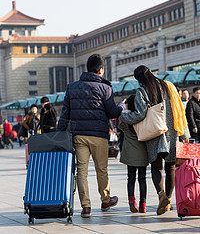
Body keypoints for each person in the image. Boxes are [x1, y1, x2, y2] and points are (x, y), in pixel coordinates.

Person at [57, 54, 125, 218]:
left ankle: (86, 207)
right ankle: (105, 200)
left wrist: (58, 134)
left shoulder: (71, 87)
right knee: (101, 169)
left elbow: (65, 114)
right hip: (98, 135)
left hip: (79, 135)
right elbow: (113, 112)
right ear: (101, 70)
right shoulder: (105, 88)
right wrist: (122, 105)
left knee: (82, 171)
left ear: (87, 68)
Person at [120, 65, 187, 215]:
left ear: (139, 80)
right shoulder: (168, 86)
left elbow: (139, 115)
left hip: (155, 134)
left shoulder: (142, 91)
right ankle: (168, 200)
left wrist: (122, 115)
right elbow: (180, 110)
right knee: (170, 168)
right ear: (150, 72)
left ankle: (161, 195)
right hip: (172, 132)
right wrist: (185, 134)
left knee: (156, 168)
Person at [119, 95, 148, 214]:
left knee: (131, 178)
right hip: (143, 153)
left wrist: (123, 107)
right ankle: (143, 204)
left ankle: (131, 199)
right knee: (142, 179)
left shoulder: (126, 119)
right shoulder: (144, 118)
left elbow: (120, 125)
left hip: (130, 153)